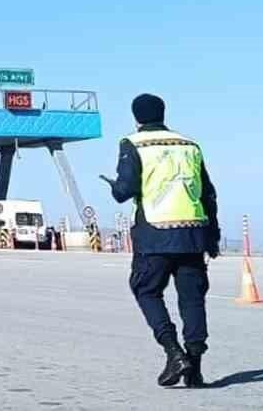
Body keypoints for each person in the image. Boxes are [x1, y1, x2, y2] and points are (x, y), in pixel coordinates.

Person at [101, 93, 220, 389]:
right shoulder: (189, 145)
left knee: (145, 289)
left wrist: (115, 186)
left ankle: (173, 351)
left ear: (136, 118)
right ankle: (195, 370)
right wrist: (213, 235)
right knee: (192, 300)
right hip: (193, 232)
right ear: (163, 114)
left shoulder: (133, 143)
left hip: (155, 232)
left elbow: (125, 190)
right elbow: (208, 193)